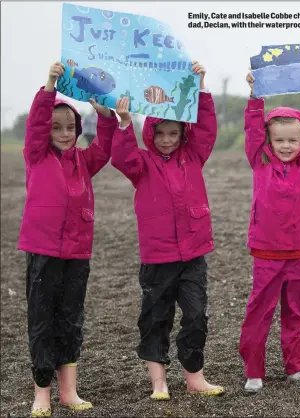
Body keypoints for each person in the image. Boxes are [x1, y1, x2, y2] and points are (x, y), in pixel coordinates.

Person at [111, 61, 224, 400]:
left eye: (173, 133)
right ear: (151, 133)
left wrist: (201, 85)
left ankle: (195, 377)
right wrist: (125, 122)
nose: (166, 140)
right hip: (157, 257)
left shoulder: (194, 155)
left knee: (195, 316)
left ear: (182, 134)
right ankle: (159, 382)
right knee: (155, 318)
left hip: (193, 254)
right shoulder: (141, 164)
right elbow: (122, 155)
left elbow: (206, 129)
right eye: (159, 133)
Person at [18, 62, 118, 417]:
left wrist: (103, 113)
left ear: (78, 129)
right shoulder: (36, 156)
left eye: (70, 126)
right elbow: (36, 124)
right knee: (42, 320)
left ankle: (68, 392)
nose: (63, 132)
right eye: (56, 127)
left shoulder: (84, 161)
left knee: (71, 320)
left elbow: (105, 147)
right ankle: (41, 393)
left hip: (77, 253)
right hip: (42, 251)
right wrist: (49, 85)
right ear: (46, 130)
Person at [239, 70, 300, 393]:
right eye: (279, 140)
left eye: (293, 139)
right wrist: (254, 96)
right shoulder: (259, 159)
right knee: (259, 311)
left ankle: (297, 367)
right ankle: (254, 371)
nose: (287, 145)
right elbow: (252, 128)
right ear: (268, 141)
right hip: (266, 250)